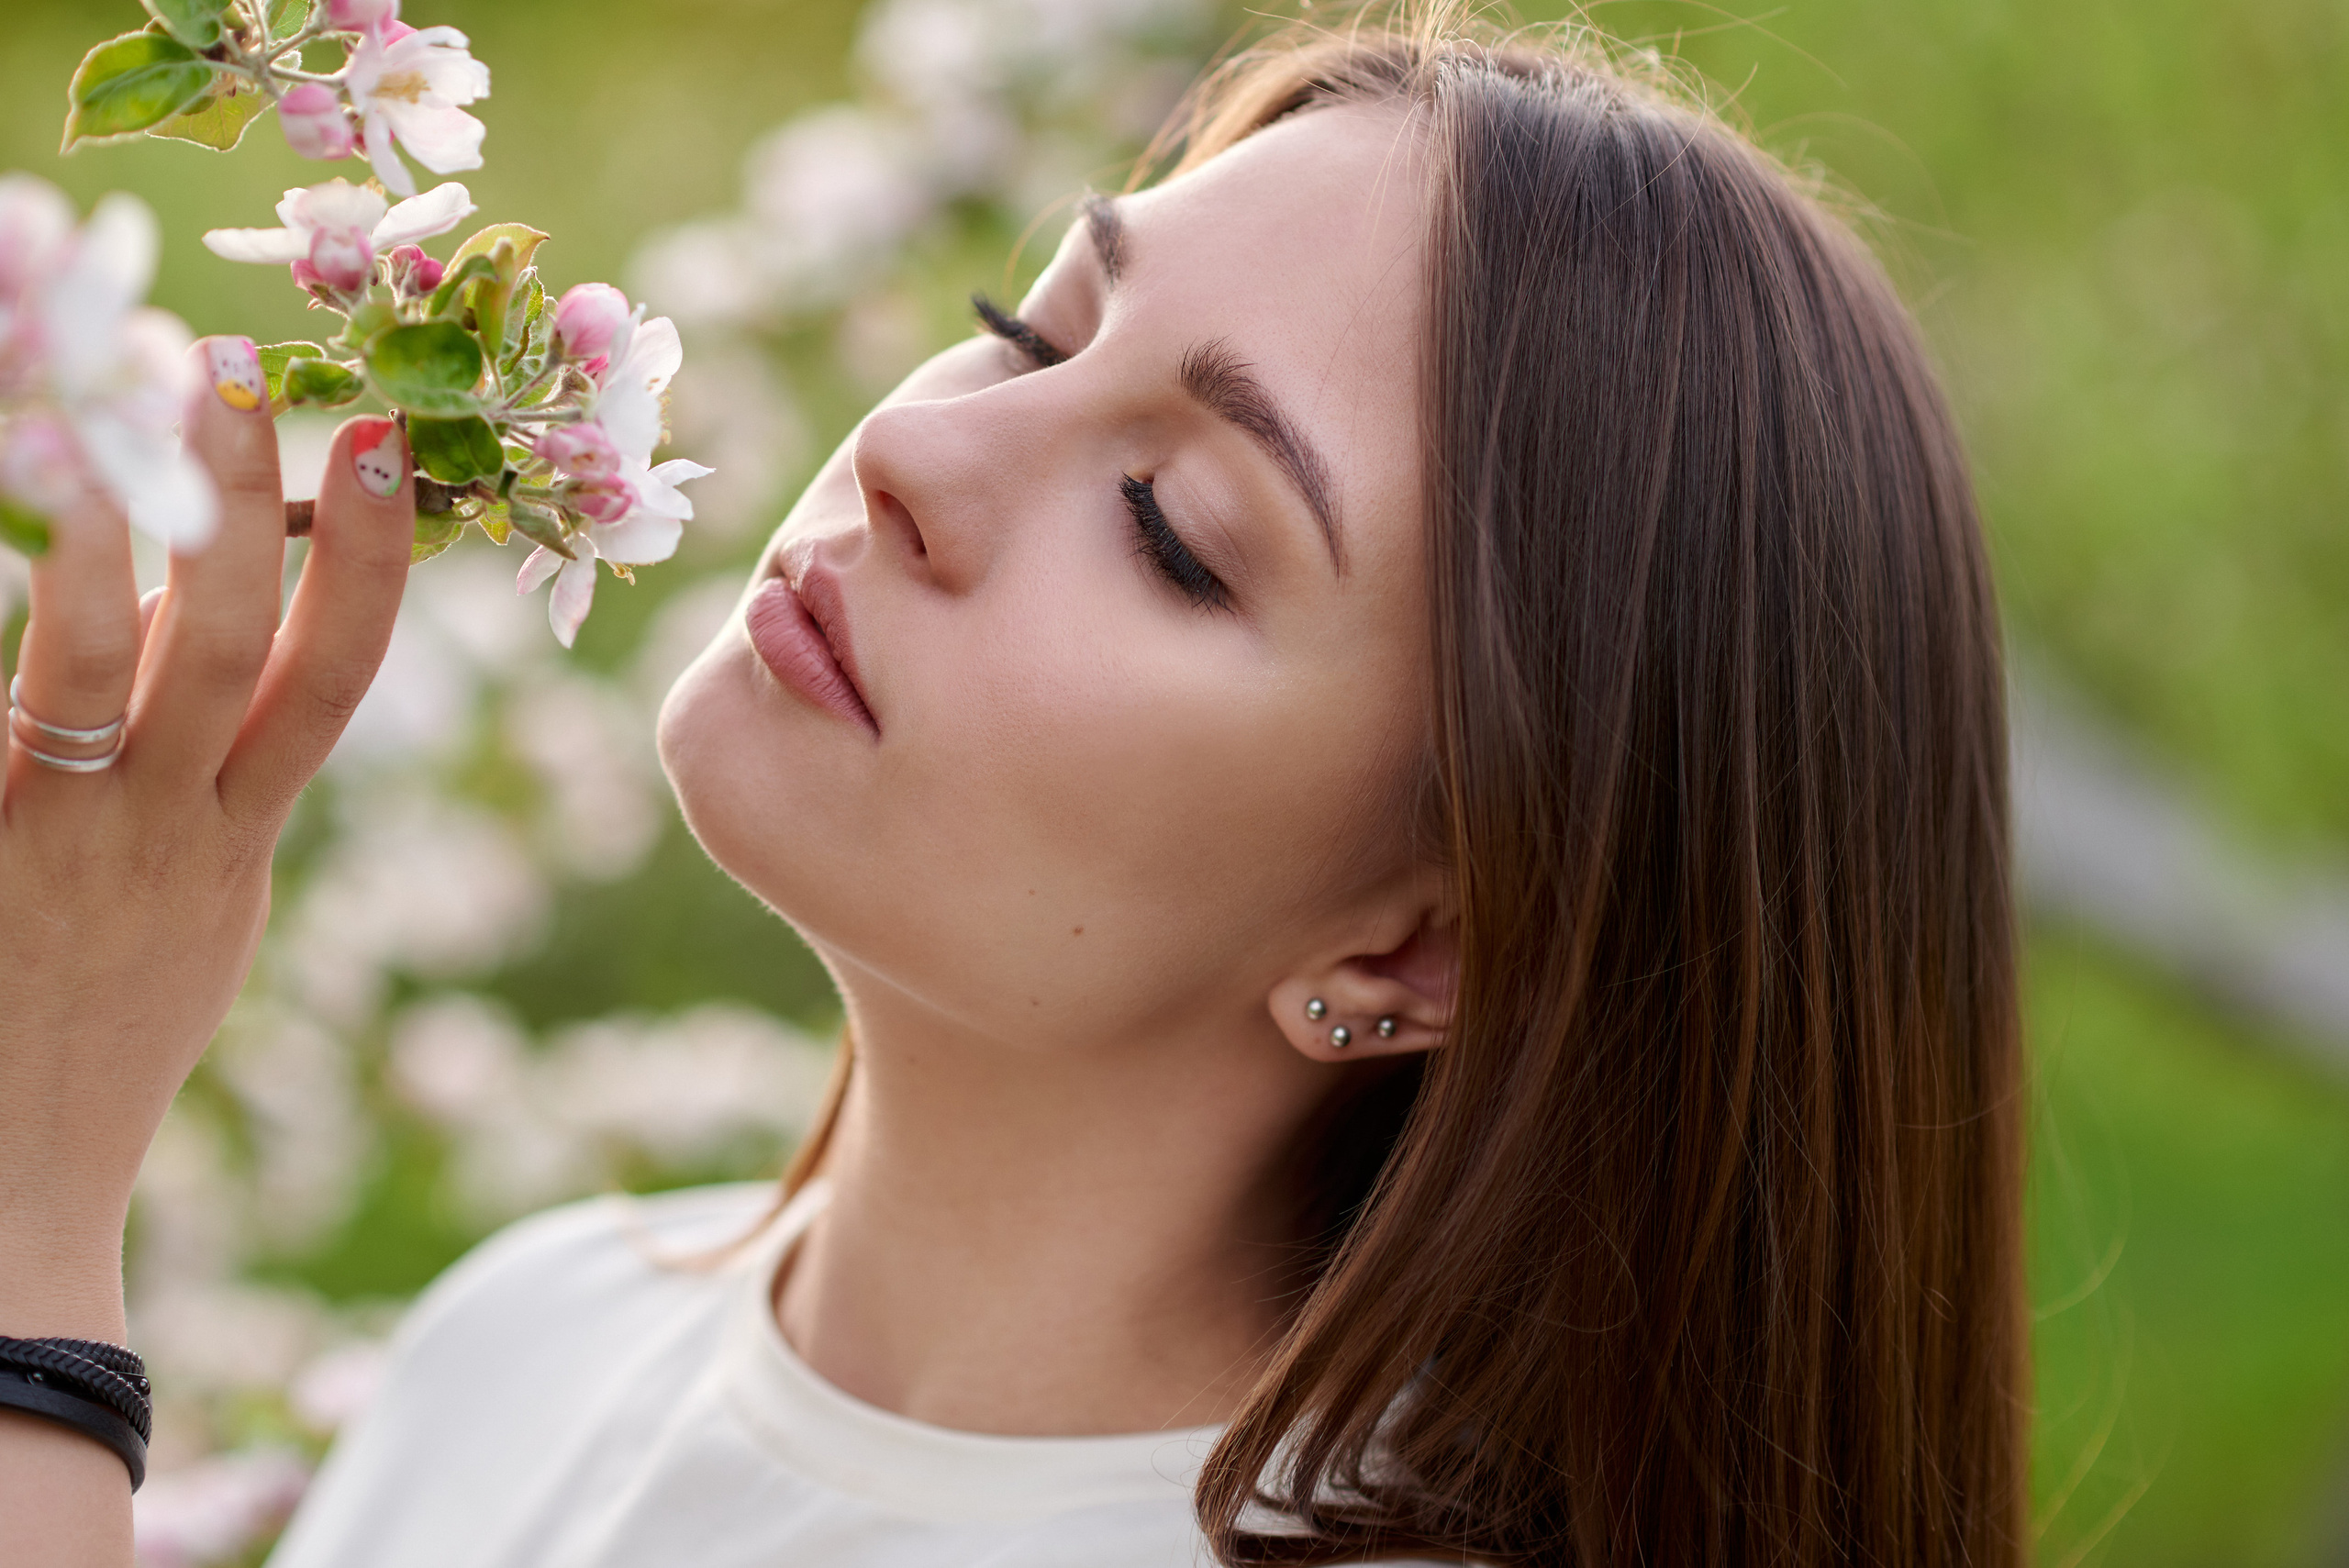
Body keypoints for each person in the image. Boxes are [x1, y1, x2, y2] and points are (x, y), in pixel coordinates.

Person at [0, 12, 2025, 1566]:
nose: (919, 456)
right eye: (1022, 329)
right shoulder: (527, 1331)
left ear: (1411, 937)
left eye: (1168, 525)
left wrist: (32, 1204)